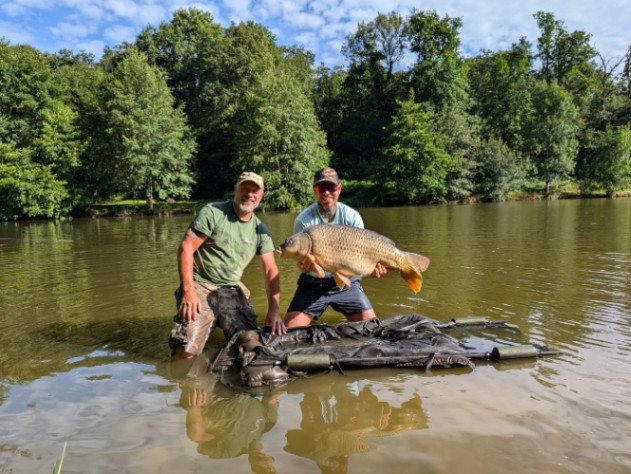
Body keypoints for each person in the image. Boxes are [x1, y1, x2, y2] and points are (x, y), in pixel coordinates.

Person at [169, 171, 286, 362]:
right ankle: (186, 378)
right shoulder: (213, 212)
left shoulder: (260, 230)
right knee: (186, 351)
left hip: (231, 288)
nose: (249, 194)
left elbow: (270, 270)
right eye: (245, 189)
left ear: (261, 194)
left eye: (254, 190)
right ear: (235, 189)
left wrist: (274, 311)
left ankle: (222, 373)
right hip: (201, 284)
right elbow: (186, 247)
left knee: (251, 348)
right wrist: (188, 291)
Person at [284, 167, 386, 328]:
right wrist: (304, 266)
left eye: (330, 187)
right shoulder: (303, 220)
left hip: (347, 284)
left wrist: (371, 269)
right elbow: (302, 262)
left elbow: (362, 256)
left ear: (339, 189)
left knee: (371, 329)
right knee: (290, 332)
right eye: (321, 188)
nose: (326, 193)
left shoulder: (352, 217)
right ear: (315, 191)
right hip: (312, 284)